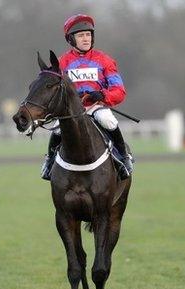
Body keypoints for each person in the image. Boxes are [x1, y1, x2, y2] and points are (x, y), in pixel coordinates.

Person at [42, 13, 133, 180]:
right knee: (57, 128)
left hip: (96, 106)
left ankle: (124, 157)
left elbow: (119, 91)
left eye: (88, 34)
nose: (86, 39)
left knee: (107, 119)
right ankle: (49, 161)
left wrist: (102, 95)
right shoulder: (62, 63)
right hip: (71, 111)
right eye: (81, 35)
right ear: (71, 39)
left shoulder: (105, 61)